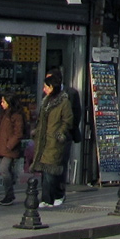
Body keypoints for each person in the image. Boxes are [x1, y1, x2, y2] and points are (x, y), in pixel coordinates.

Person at [31, 73, 73, 207]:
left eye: (46, 87)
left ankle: (49, 198)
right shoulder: (46, 101)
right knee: (46, 170)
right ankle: (49, 197)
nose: (44, 89)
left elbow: (68, 120)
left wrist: (60, 133)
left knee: (50, 171)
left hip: (54, 141)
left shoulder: (64, 102)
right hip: (43, 141)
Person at [45, 68, 81, 202]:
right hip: (49, 137)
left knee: (60, 164)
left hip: (63, 136)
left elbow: (76, 115)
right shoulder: (47, 94)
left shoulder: (70, 94)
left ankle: (59, 193)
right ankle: (48, 195)